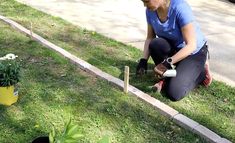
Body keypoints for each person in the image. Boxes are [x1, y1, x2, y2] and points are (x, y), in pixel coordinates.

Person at [136, 0, 212, 101]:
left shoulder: (180, 7)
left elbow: (191, 45)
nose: (145, 5)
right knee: (155, 44)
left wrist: (168, 62)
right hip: (174, 49)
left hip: (193, 52)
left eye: (147, 1)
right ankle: (170, 75)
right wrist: (143, 60)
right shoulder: (150, 11)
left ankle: (201, 73)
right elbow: (150, 37)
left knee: (174, 93)